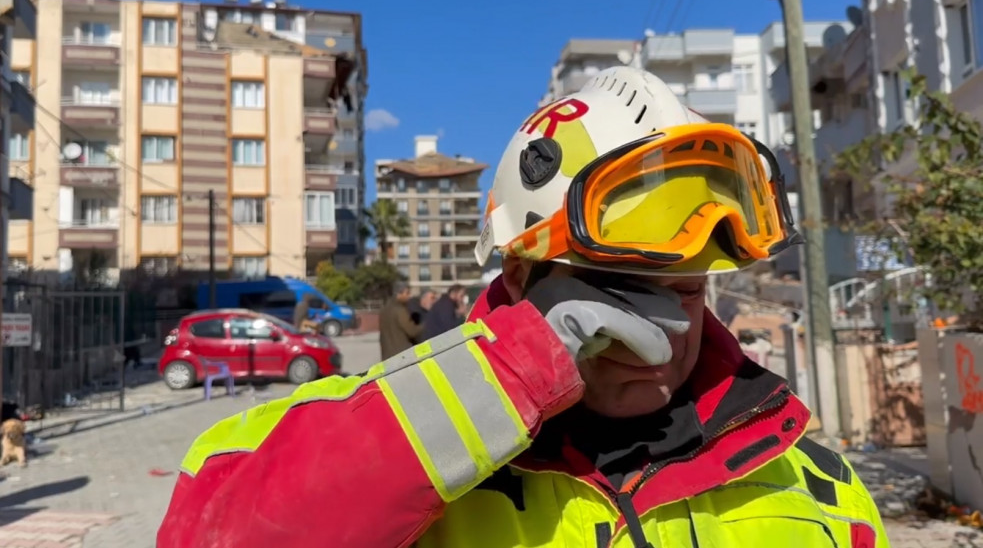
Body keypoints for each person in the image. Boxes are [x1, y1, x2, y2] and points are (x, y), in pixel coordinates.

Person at [157, 66, 889, 548]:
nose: (661, 340)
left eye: (687, 293)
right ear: (519, 277)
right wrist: (517, 366)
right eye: (618, 292)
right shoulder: (372, 441)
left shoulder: (814, 478)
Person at [377, 281, 423, 359]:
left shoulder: (385, 309)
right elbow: (412, 331)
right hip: (401, 356)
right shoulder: (400, 310)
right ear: (399, 293)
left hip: (387, 355)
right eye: (407, 293)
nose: (409, 296)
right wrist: (425, 325)